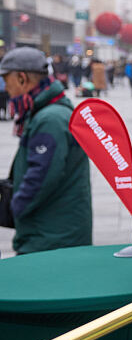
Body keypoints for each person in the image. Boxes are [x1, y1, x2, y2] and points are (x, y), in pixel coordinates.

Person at [1, 47, 92, 255]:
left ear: (22, 78)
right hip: (55, 230)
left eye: (7, 81)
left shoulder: (50, 119)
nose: (6, 88)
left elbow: (41, 176)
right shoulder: (46, 111)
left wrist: (16, 207)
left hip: (51, 236)